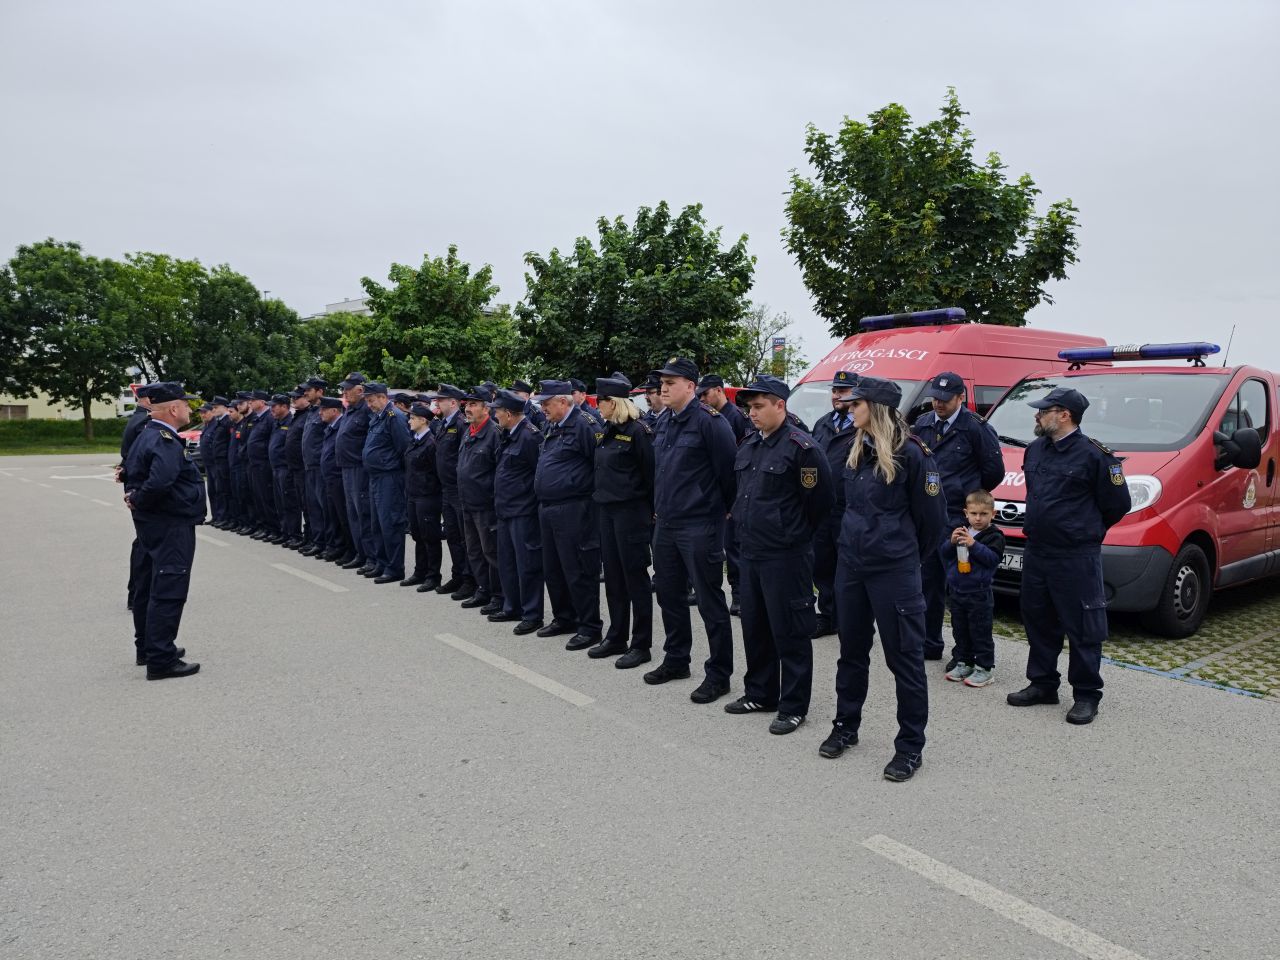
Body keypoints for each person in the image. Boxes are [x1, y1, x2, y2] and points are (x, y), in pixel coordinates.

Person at [825, 376, 946, 783]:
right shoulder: (854, 449)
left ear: (875, 408)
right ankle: (846, 726)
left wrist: (903, 556)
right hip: (852, 567)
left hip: (894, 571)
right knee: (851, 652)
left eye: (856, 403)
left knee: (904, 659)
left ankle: (910, 747)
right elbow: (841, 507)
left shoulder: (912, 454)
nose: (849, 407)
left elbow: (932, 523)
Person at [1007, 387, 1130, 725]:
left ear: (1064, 415)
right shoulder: (1035, 449)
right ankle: (1042, 683)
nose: (1037, 415)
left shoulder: (1095, 456)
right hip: (1038, 550)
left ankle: (1086, 694)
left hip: (1075, 554)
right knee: (1038, 619)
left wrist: (1084, 530)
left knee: (1083, 626)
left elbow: (1118, 505)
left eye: (1043, 411)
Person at [726, 375, 834, 734]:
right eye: (749, 408)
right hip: (751, 551)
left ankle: (793, 705)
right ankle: (760, 693)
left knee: (790, 631)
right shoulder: (749, 444)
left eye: (759, 406)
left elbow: (820, 504)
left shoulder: (802, 448)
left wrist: (792, 534)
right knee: (755, 627)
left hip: (786, 555)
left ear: (780, 405)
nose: (752, 413)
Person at [644, 357, 738, 703]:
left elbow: (729, 475)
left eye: (671, 383)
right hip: (666, 524)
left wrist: (717, 513)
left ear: (690, 386)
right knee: (669, 595)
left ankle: (719, 674)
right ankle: (676, 659)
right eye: (662, 383)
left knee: (710, 602)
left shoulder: (711, 423)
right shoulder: (664, 421)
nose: (663, 388)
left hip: (700, 525)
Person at [911, 372, 1005, 665]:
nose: (938, 404)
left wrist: (969, 497)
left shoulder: (976, 428)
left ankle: (965, 652)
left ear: (960, 398)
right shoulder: (923, 424)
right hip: (930, 516)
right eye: (935, 399)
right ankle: (929, 643)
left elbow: (994, 471)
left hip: (958, 517)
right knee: (928, 583)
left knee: (962, 586)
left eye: (945, 399)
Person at [121, 382, 204, 680]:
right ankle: (161, 658)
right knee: (169, 587)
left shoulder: (148, 433)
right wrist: (139, 499)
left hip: (154, 522)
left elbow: (131, 470)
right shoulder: (164, 439)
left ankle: (148, 647)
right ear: (173, 408)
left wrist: (136, 498)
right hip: (170, 523)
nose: (190, 409)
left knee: (149, 584)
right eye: (186, 404)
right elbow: (160, 481)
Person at [587, 375, 655, 665]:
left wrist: (649, 514)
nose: (597, 406)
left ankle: (641, 644)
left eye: (600, 401)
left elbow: (651, 475)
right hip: (607, 511)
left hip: (631, 513)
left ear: (612, 402)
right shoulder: (607, 430)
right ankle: (616, 636)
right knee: (614, 578)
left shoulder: (638, 431)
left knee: (635, 579)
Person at [533, 380, 603, 650]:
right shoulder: (551, 425)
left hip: (575, 508)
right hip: (548, 507)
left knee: (578, 569)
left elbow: (599, 465)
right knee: (553, 569)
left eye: (547, 403)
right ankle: (564, 618)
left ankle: (589, 626)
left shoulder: (585, 425)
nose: (543, 408)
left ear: (563, 401)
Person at [490, 388, 546, 634]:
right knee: (507, 562)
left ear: (510, 414)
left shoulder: (530, 436)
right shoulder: (507, 434)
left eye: (498, 412)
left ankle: (532, 613)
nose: (495, 416)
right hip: (505, 508)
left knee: (527, 564)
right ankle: (512, 606)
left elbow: (538, 475)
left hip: (523, 511)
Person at [809, 371, 860, 638]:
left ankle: (851, 619)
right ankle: (828, 616)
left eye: (843, 390)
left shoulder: (863, 424)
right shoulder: (823, 423)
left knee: (848, 566)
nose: (837, 395)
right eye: (835, 390)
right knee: (823, 564)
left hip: (849, 507)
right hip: (823, 508)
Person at [697, 373, 750, 616]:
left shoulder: (735, 416)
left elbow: (742, 454)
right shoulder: (707, 416)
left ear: (719, 390)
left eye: (706, 394)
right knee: (724, 547)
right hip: (717, 489)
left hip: (735, 487)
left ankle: (740, 596)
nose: (702, 399)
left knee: (734, 546)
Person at [942, 490, 1006, 687]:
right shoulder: (962, 531)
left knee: (980, 631)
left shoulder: (995, 536)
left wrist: (974, 544)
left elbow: (992, 559)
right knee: (960, 630)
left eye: (983, 514)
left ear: (993, 514)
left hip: (979, 593)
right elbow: (944, 554)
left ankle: (984, 668)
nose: (978, 518)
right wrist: (951, 543)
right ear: (966, 513)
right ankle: (964, 662)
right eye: (974, 513)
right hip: (957, 591)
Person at [456, 384, 503, 610]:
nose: (468, 408)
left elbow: (499, 472)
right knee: (473, 550)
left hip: (486, 504)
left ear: (486, 408)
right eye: (467, 404)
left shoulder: (494, 433)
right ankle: (483, 589)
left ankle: (498, 595)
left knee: (491, 552)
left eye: (473, 404)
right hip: (467, 502)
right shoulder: (469, 431)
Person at [362, 381, 410, 583]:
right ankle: (381, 563)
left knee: (390, 523)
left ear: (383, 397)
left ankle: (394, 567)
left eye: (371, 400)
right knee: (377, 524)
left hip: (390, 477)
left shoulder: (394, 417)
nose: (369, 405)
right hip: (376, 477)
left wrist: (391, 467)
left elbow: (404, 447)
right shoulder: (378, 416)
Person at [432, 384, 475, 599]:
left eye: (441, 400)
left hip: (458, 489)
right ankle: (458, 575)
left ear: (453, 402)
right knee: (452, 535)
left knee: (464, 537)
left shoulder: (461, 424)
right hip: (446, 488)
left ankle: (469, 579)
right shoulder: (443, 424)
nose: (437, 403)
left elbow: (463, 456)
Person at [119, 384, 155, 610]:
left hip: (136, 486)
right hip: (142, 489)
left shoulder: (138, 418)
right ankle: (138, 594)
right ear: (148, 401)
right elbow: (144, 460)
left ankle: (138, 593)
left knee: (143, 542)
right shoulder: (144, 422)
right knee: (145, 543)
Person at [335, 373, 375, 573]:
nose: (344, 392)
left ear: (360, 390)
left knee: (363, 515)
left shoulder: (366, 410)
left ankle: (370, 557)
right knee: (352, 515)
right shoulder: (349, 410)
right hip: (346, 468)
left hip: (359, 468)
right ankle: (360, 553)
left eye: (347, 389)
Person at [402, 402, 443, 591]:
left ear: (423, 420)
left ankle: (433, 576)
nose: (409, 421)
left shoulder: (431, 443)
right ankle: (420, 571)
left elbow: (437, 472)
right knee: (418, 535)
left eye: (412, 418)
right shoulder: (415, 440)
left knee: (430, 537)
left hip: (427, 496)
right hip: (413, 494)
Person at [317, 397, 355, 564]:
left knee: (343, 516)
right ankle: (337, 546)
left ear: (334, 411)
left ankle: (349, 549)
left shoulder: (341, 425)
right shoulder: (331, 427)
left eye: (323, 410)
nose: (320, 413)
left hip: (338, 476)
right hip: (329, 477)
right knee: (332, 514)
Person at [298, 378, 329, 556]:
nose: (305, 393)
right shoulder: (311, 411)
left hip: (319, 466)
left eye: (309, 390)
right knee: (313, 507)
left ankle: (328, 543)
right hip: (308, 466)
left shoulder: (325, 410)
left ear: (320, 391)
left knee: (323, 506)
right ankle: (318, 541)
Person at [245, 390, 278, 540]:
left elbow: (271, 440)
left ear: (263, 402)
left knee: (266, 497)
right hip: (255, 463)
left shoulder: (269, 418)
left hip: (264, 463)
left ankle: (273, 528)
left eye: (253, 400)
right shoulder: (257, 418)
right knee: (258, 497)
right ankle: (264, 526)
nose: (250, 402)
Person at [267, 394, 299, 546]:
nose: (271, 409)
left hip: (285, 468)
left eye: (274, 406)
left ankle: (294, 534)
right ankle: (284, 532)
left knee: (289, 503)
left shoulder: (290, 422)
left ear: (285, 407)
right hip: (275, 468)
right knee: (279, 502)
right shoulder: (276, 422)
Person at [205, 397, 232, 529]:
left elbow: (229, 443)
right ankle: (220, 516)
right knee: (217, 490)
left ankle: (226, 517)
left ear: (225, 407)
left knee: (224, 490)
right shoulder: (220, 422)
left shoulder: (228, 421)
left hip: (223, 461)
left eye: (216, 407)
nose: (213, 409)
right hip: (216, 461)